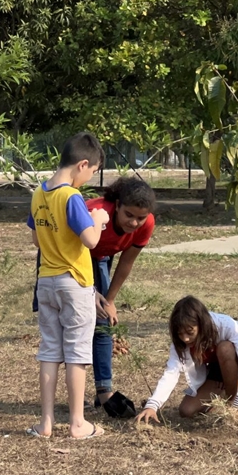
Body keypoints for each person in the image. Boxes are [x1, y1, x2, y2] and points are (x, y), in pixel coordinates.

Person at [26, 132, 109, 440]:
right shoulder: (71, 197)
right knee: (76, 352)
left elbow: (36, 238)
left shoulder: (39, 193)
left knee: (49, 350)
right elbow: (90, 241)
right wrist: (97, 219)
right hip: (74, 283)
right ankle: (77, 422)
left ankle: (45, 422)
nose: (88, 179)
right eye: (91, 172)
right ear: (82, 165)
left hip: (46, 281)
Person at [136, 296, 238, 424]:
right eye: (180, 333)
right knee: (186, 410)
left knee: (225, 348)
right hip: (217, 367)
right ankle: (234, 387)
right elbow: (171, 372)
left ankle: (235, 397)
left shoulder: (227, 326)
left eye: (190, 332)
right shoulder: (180, 343)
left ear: (202, 324)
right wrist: (152, 405)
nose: (185, 338)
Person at [87, 176, 156, 418]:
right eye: (128, 214)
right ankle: (102, 392)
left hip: (102, 255)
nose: (134, 222)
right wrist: (90, 291)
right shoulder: (95, 213)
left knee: (103, 318)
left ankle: (103, 391)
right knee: (83, 323)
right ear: (116, 206)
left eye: (140, 217)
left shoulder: (146, 224)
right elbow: (69, 250)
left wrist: (110, 298)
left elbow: (127, 261)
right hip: (69, 255)